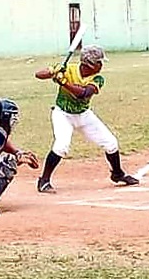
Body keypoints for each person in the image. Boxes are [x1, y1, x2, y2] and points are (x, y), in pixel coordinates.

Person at [34, 45, 139, 193]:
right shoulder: (68, 69)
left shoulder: (98, 78)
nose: (101, 65)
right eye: (99, 62)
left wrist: (63, 82)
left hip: (84, 115)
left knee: (111, 143)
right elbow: (38, 74)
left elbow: (83, 94)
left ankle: (117, 174)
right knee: (61, 146)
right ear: (89, 64)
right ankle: (44, 181)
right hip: (63, 114)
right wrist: (54, 72)